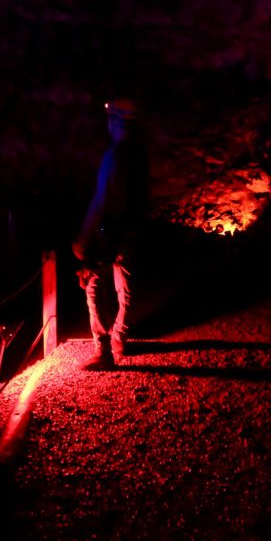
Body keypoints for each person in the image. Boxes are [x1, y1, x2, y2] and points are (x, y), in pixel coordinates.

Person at [73, 98, 150, 370]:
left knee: (94, 286)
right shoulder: (140, 155)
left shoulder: (114, 155)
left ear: (115, 121)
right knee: (124, 287)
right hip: (132, 231)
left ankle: (103, 351)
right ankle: (120, 339)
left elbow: (102, 199)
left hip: (110, 231)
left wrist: (85, 237)